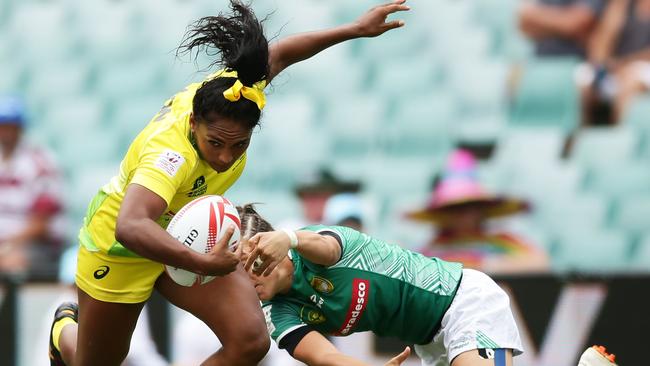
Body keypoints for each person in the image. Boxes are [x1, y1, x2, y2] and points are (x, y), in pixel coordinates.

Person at [47, 1, 410, 365]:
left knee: (250, 340)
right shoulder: (169, 155)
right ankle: (64, 330)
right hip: (121, 248)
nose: (225, 157)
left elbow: (281, 53)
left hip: (182, 235)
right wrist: (202, 262)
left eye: (239, 145)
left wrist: (354, 29)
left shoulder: (237, 93)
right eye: (215, 143)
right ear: (193, 124)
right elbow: (130, 225)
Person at [237, 204, 524, 366]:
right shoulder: (274, 313)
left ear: (269, 247)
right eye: (233, 275)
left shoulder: (314, 246)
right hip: (429, 343)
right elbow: (327, 356)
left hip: (463, 302)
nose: (243, 281)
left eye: (247, 264)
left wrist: (289, 238)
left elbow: (326, 246)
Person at [406, 150, 549, 274]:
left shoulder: (502, 241)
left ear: (482, 208)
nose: (465, 215)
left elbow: (539, 262)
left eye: (472, 206)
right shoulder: (432, 248)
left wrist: (483, 265)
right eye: (454, 208)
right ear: (442, 212)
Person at [0, 95, 64, 278]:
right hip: (7, 244)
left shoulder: (39, 163)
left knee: (11, 261)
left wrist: (7, 244)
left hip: (37, 247)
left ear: (20, 128)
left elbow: (41, 224)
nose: (4, 132)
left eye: (9, 126)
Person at [576, 0, 650, 125]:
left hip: (641, 68)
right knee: (584, 78)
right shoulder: (621, 5)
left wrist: (622, 63)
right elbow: (602, 40)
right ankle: (579, 140)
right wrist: (601, 66)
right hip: (618, 69)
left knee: (631, 81)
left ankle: (621, 138)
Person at [518, 0, 606, 59]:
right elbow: (525, 22)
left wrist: (540, 20)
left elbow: (577, 23)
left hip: (576, 64)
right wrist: (562, 22)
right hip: (541, 63)